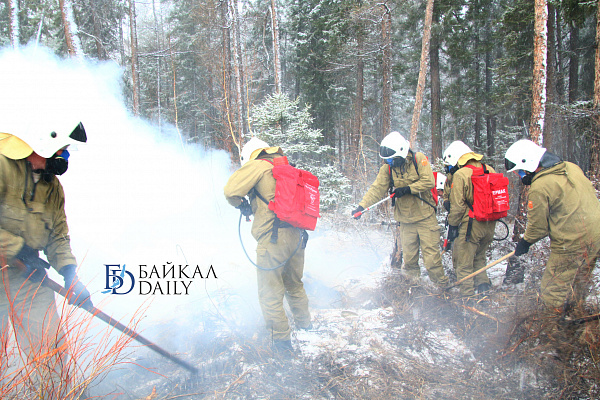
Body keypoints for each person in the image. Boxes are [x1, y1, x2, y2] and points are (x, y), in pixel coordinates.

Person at [0, 122, 91, 398]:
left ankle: (57, 394)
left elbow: (58, 236)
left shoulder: (52, 187)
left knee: (49, 349)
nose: (65, 157)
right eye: (62, 149)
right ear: (44, 142)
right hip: (14, 262)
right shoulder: (2, 166)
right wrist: (17, 249)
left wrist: (70, 274)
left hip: (27, 275)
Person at [224, 137, 311, 354]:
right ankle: (307, 330)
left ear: (250, 155)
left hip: (273, 239)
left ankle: (282, 347)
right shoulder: (286, 166)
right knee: (294, 285)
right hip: (297, 236)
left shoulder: (258, 165)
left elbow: (231, 191)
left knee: (269, 293)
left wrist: (241, 204)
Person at [505, 139, 600, 312]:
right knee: (579, 282)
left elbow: (538, 227)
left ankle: (551, 325)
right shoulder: (571, 167)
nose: (520, 175)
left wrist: (525, 243)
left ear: (529, 163)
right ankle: (575, 318)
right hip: (596, 233)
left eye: (520, 171)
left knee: (553, 290)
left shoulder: (540, 186)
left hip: (572, 240)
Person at [353, 131, 448, 286]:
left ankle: (442, 288)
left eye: (392, 160)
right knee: (409, 262)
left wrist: (408, 189)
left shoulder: (418, 159)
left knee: (432, 260)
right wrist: (362, 206)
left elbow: (429, 181)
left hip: (425, 218)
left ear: (402, 153)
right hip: (405, 220)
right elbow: (377, 189)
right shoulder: (387, 169)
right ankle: (413, 290)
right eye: (387, 160)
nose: (389, 163)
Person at [443, 140, 496, 297]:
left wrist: (452, 226)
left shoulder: (461, 175)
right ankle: (484, 293)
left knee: (463, 263)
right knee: (479, 258)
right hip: (490, 223)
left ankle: (468, 299)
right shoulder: (489, 169)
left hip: (471, 225)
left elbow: (458, 207)